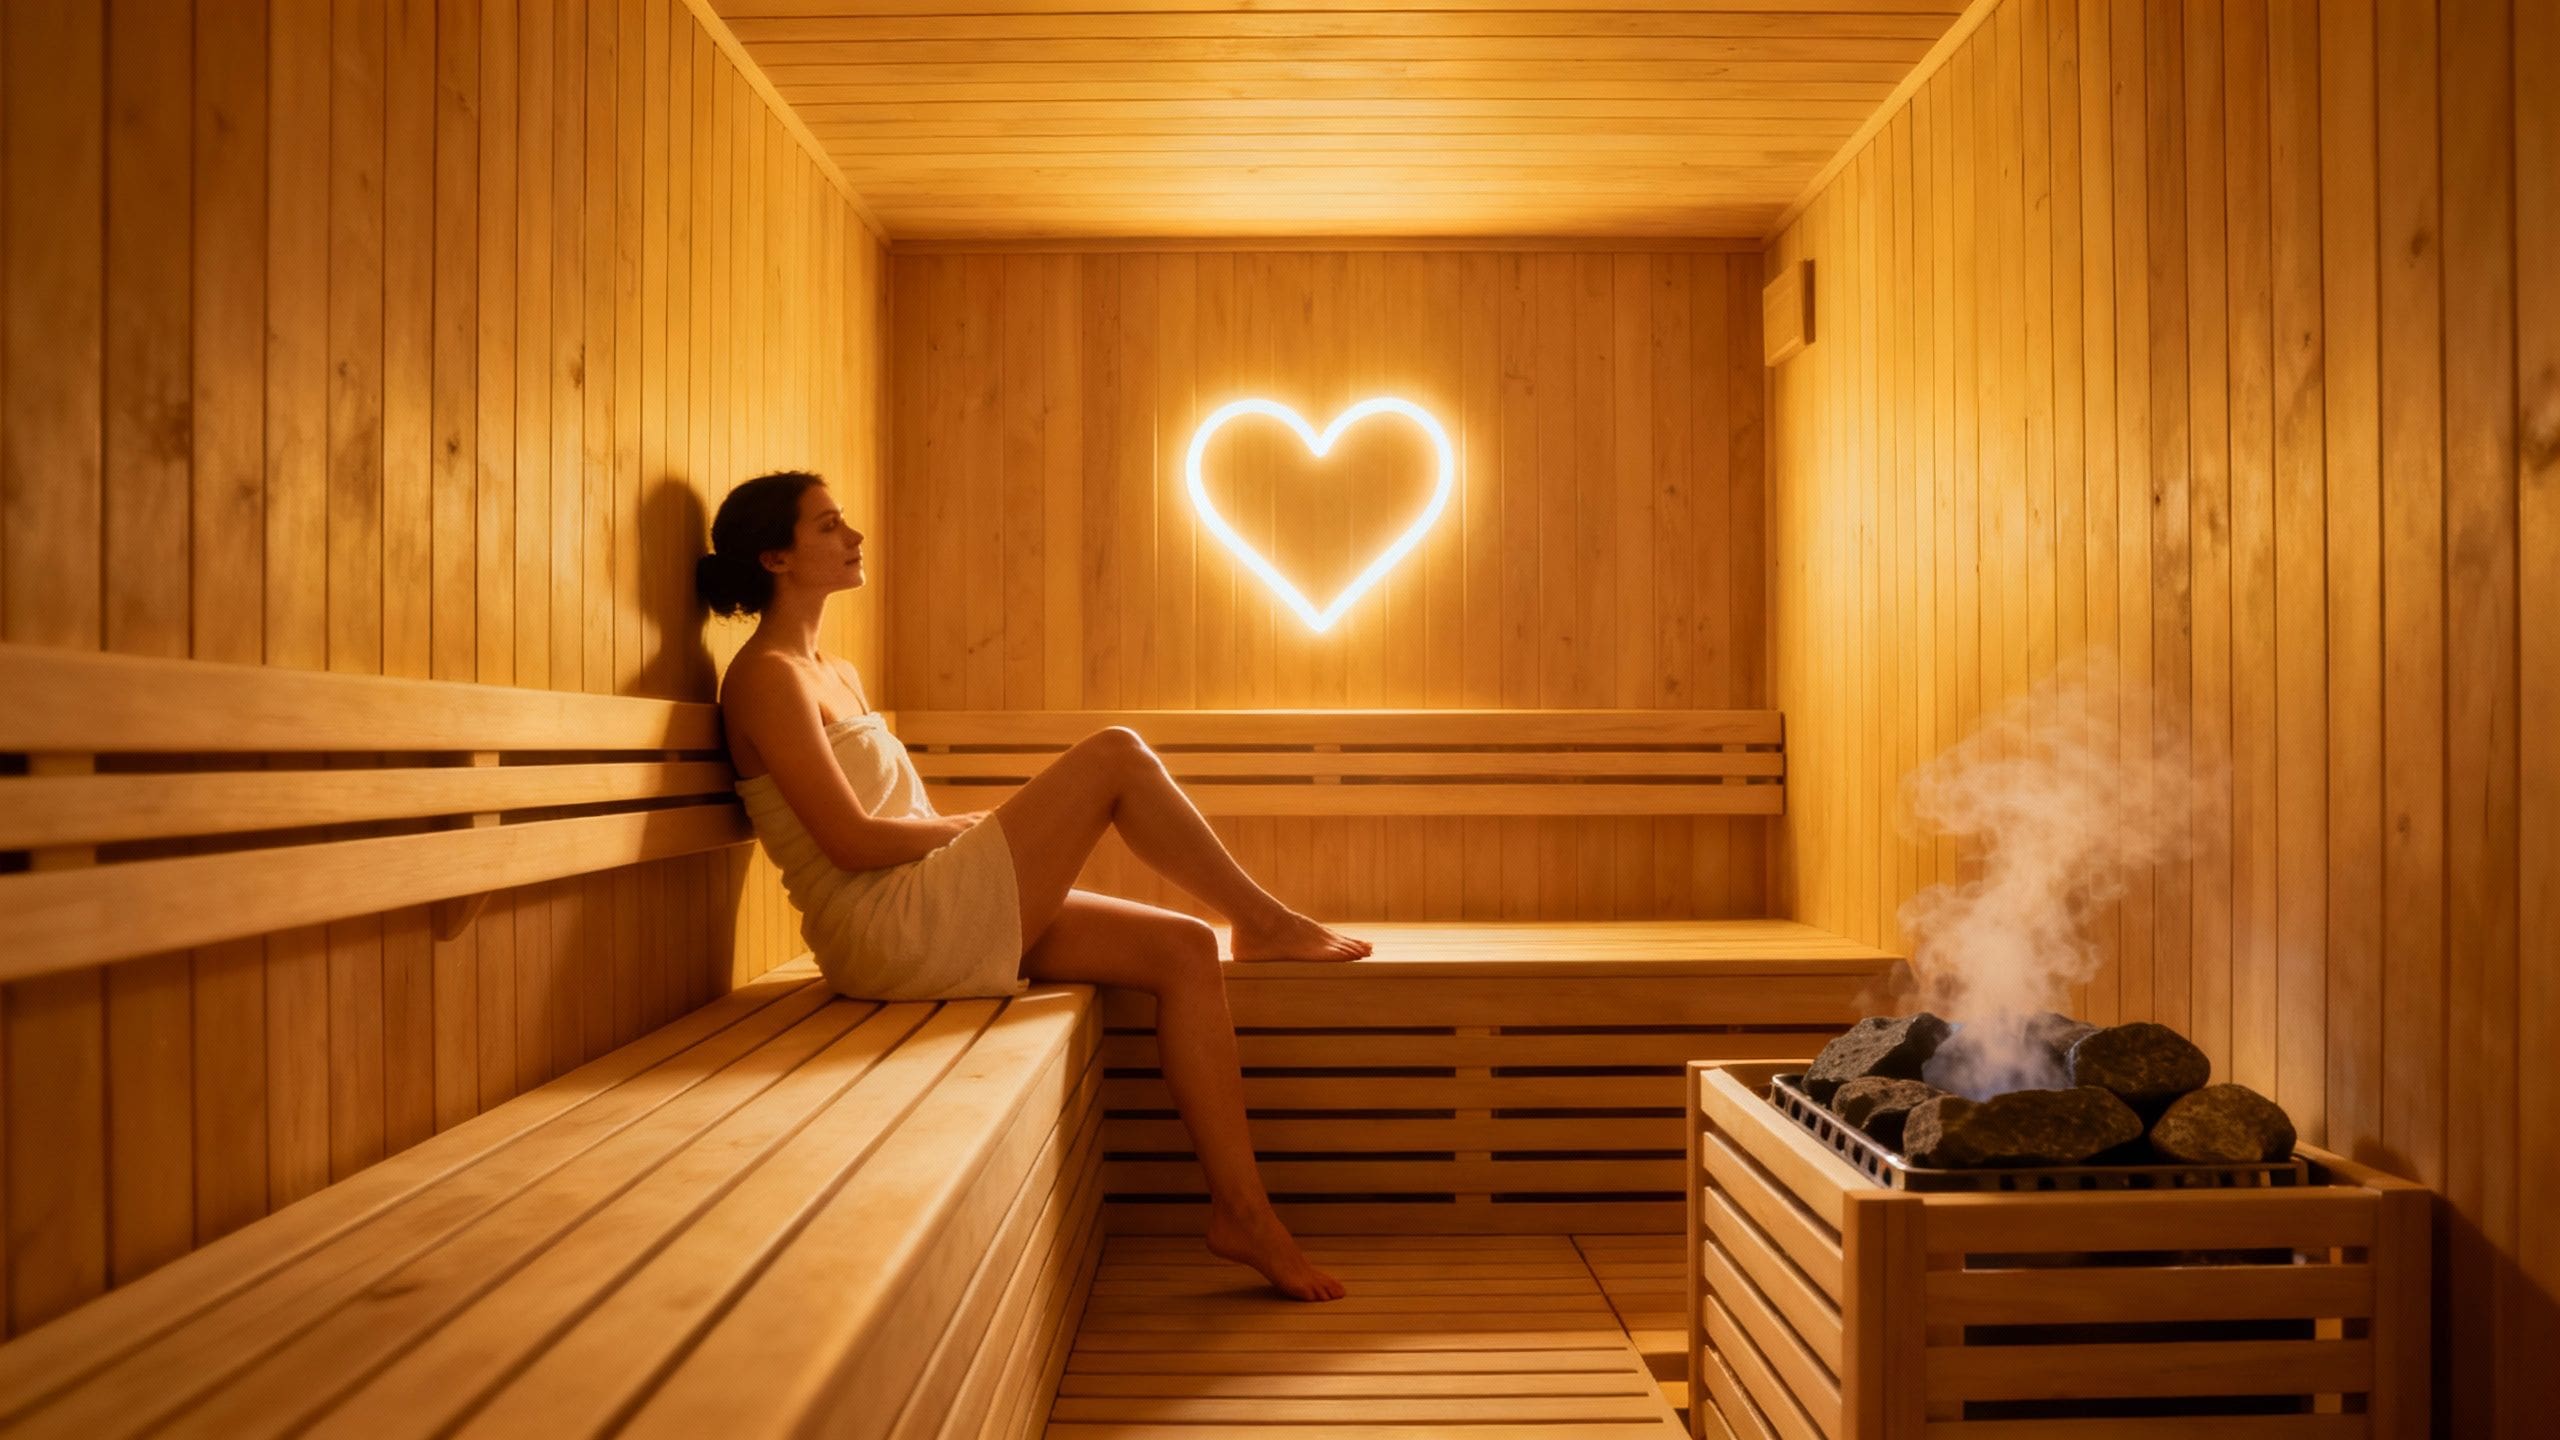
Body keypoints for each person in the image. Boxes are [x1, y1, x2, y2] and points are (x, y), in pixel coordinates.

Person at [696, 470, 1371, 1303]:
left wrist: (975, 831)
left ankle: (1244, 1215)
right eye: (829, 526)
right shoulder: (766, 678)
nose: (854, 537)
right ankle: (1265, 920)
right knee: (1115, 753)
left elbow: (888, 819)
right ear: (774, 557)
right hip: (881, 927)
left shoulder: (831, 669)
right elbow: (851, 841)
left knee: (1185, 947)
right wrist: (982, 828)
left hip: (922, 897)